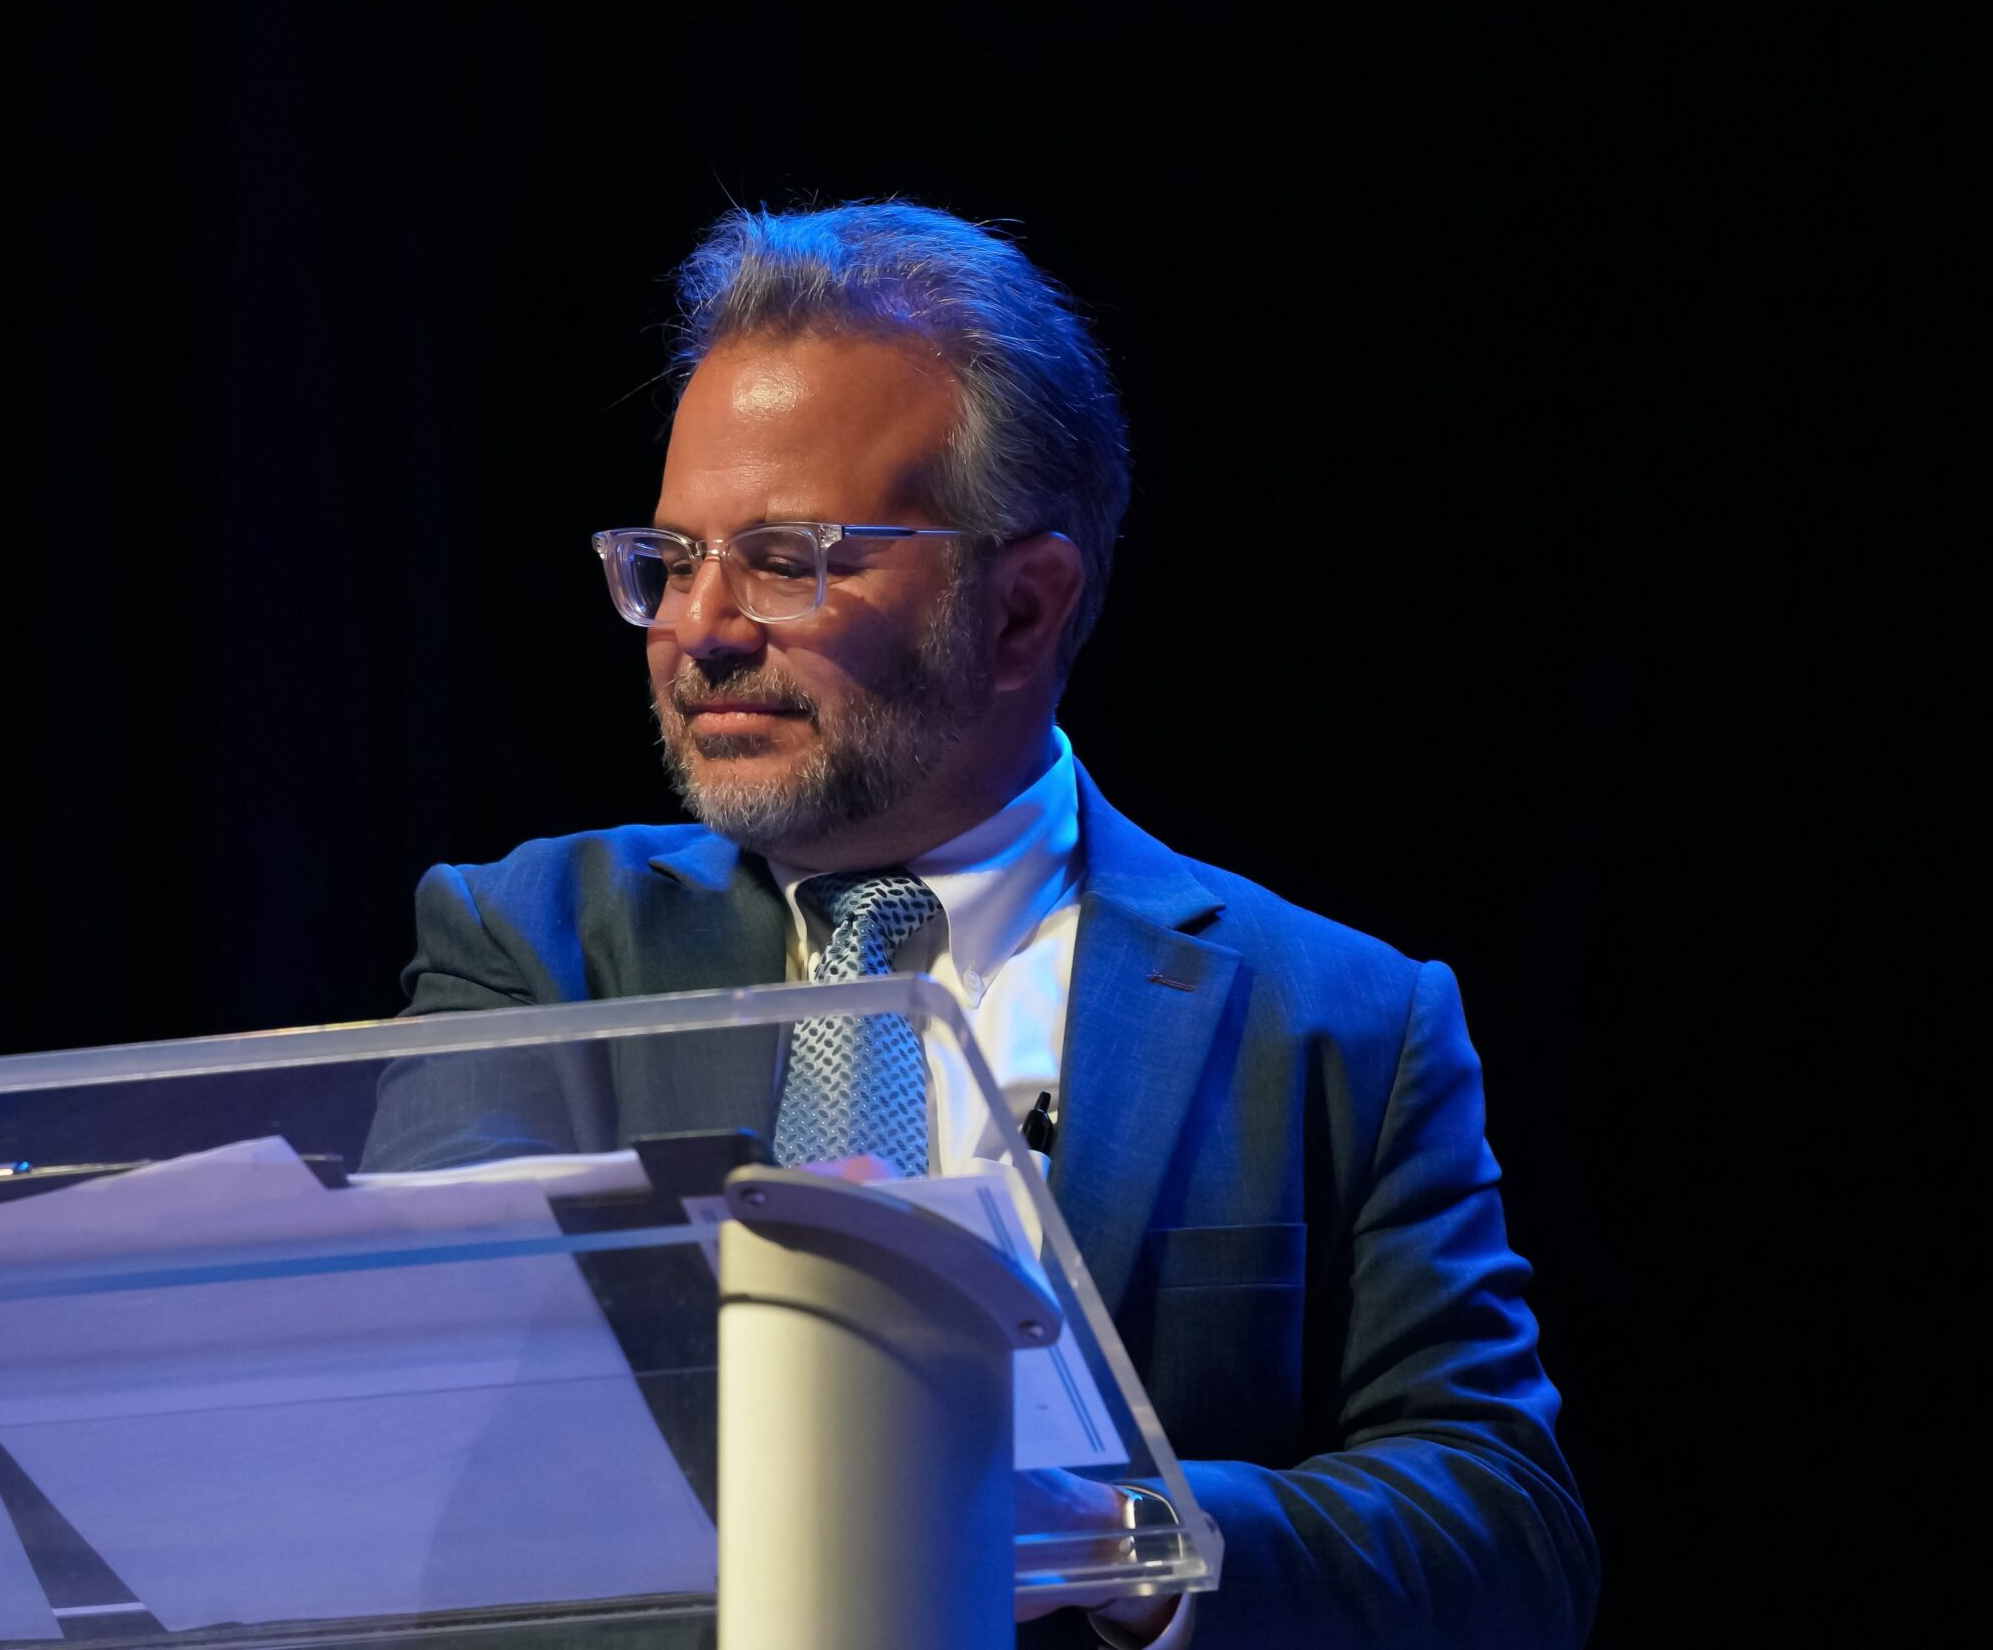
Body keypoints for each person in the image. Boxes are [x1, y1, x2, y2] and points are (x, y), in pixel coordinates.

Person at [362, 202, 1597, 1648]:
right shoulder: (534, 952)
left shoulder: (1337, 1023)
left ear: (1021, 610)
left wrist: (1127, 1538)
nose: (700, 627)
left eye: (786, 558)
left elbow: (1505, 1532)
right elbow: (404, 1429)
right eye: (673, 557)